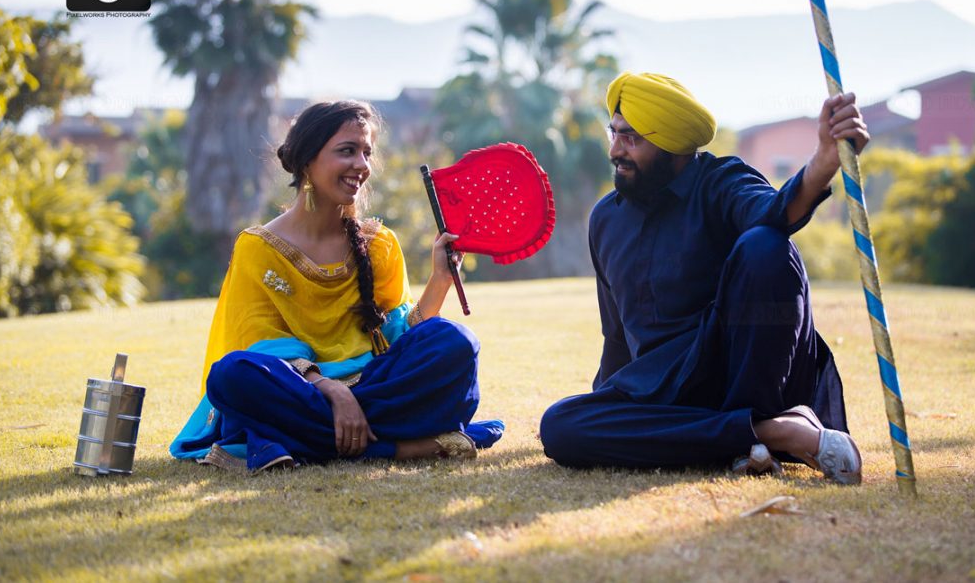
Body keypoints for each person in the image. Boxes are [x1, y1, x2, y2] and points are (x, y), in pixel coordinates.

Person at [539, 72, 867, 483]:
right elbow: (618, 338)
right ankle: (770, 433)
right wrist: (605, 409)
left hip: (741, 378)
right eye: (615, 133)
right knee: (561, 426)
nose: (615, 150)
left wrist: (823, 162)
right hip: (666, 392)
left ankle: (749, 421)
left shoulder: (721, 182)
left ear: (673, 146)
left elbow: (775, 213)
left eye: (632, 138)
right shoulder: (605, 219)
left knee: (766, 245)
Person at [171, 100, 503, 471]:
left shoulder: (380, 243)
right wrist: (329, 390)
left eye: (366, 153)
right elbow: (261, 344)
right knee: (232, 375)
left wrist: (440, 278)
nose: (362, 166)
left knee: (455, 342)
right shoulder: (257, 249)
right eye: (347, 151)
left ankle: (299, 440)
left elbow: (400, 337)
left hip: (374, 386)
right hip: (300, 389)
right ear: (307, 160)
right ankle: (400, 446)